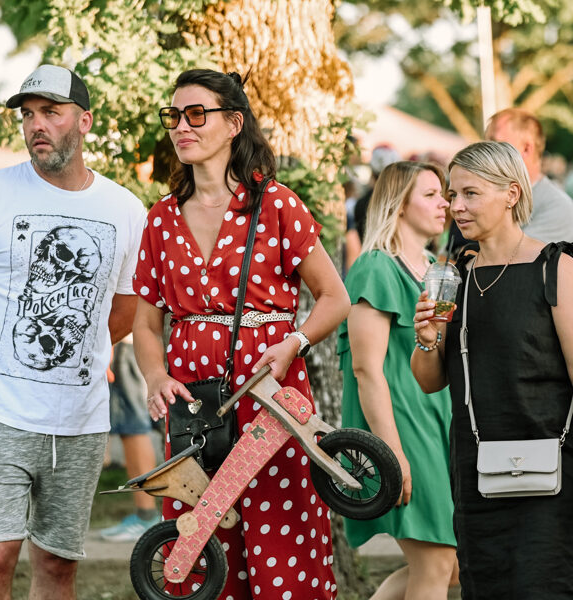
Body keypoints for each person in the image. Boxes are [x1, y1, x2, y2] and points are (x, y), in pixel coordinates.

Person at [132, 68, 350, 599]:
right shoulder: (160, 218)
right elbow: (145, 322)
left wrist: (294, 343)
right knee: (200, 536)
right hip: (194, 404)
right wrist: (155, 376)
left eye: (196, 114)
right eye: (174, 116)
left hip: (270, 392)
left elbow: (334, 298)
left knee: (283, 533)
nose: (181, 126)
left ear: (233, 124)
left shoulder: (276, 204)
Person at [0, 64, 146, 599]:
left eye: (51, 112)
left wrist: (76, 346)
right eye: (28, 115)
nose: (37, 125)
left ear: (84, 121)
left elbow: (126, 308)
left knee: (56, 563)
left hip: (78, 418)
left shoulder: (124, 210)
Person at [412, 141, 573, 599]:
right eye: (452, 194)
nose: (456, 206)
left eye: (471, 193)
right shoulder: (452, 275)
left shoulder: (556, 268)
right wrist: (427, 337)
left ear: (511, 194)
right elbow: (430, 380)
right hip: (478, 469)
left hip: (553, 471)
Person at [338, 161, 458, 599]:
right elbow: (365, 369)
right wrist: (393, 453)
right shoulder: (376, 266)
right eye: (431, 195)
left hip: (437, 422)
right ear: (399, 204)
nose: (445, 203)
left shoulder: (433, 267)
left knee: (451, 565)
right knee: (436, 561)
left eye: (443, 194)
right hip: (403, 426)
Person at [100, 335, 160, 542]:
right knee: (131, 429)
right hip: (120, 348)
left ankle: (147, 516)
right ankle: (146, 515)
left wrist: (110, 347)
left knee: (133, 428)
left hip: (121, 348)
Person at [485, 107, 573, 243]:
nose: (485, 153)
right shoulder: (484, 197)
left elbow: (513, 254)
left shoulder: (558, 207)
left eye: (496, 144)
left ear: (526, 149)